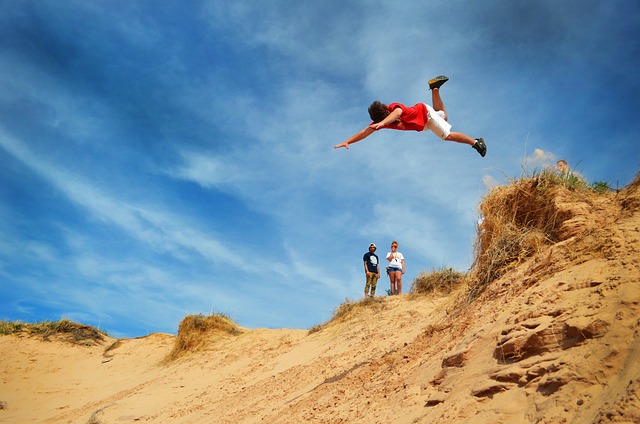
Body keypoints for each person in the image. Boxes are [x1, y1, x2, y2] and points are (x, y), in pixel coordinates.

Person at [333, 75, 487, 157]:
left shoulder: (393, 107)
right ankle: (435, 89)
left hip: (426, 115)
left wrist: (381, 124)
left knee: (446, 136)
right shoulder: (383, 122)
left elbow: (398, 113)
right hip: (425, 121)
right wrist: (348, 141)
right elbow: (364, 133)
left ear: (385, 112)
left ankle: (475, 142)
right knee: (444, 117)